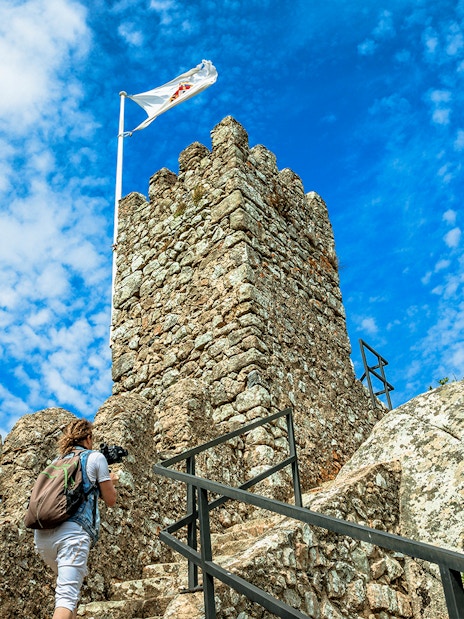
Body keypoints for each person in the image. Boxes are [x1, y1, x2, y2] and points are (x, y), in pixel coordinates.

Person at [34, 419, 118, 619]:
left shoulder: (57, 461)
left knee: (69, 596)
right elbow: (111, 499)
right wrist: (111, 481)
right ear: (88, 438)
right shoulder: (96, 457)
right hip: (72, 534)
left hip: (43, 535)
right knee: (66, 598)